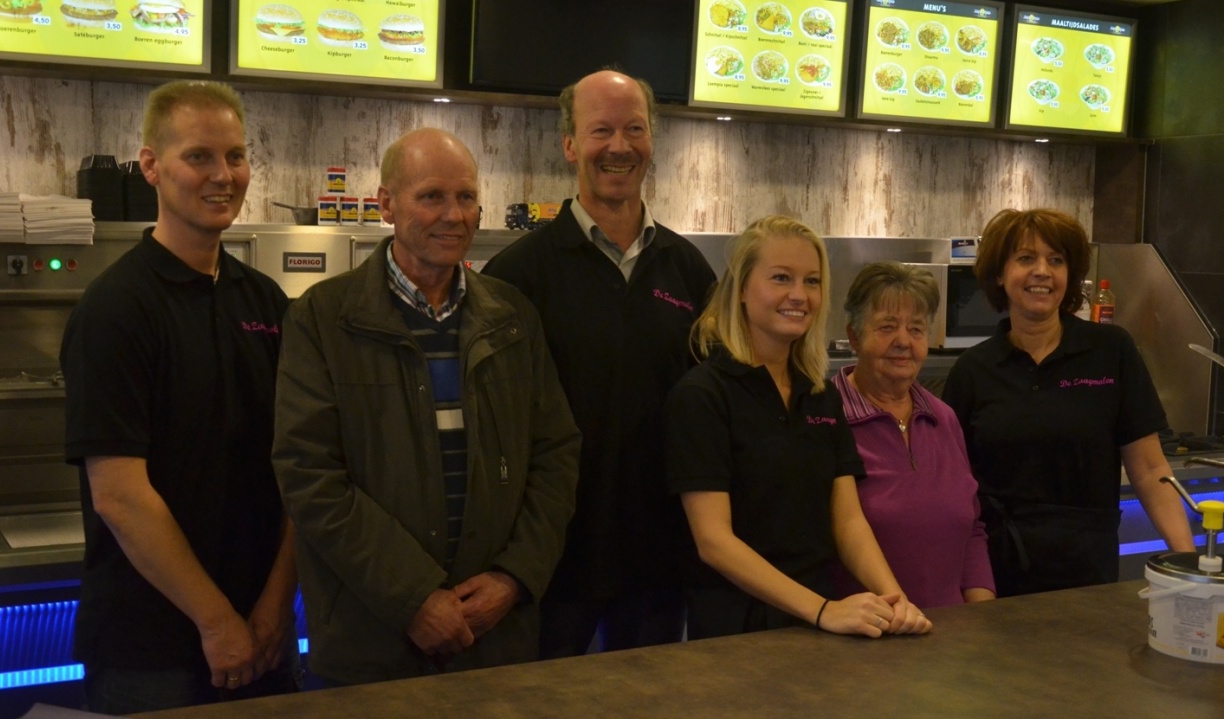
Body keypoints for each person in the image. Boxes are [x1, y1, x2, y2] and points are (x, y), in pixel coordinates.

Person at [272, 128, 581, 685]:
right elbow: (308, 473)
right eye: (431, 196)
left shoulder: (512, 317)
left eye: (466, 197)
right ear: (387, 204)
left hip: (495, 639)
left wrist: (513, 577)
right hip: (370, 643)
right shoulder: (322, 318)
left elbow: (556, 455)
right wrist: (412, 597)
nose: (453, 215)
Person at [60, 81, 298, 714]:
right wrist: (218, 624)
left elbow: (303, 468)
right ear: (151, 166)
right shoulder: (115, 309)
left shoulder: (266, 301)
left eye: (236, 156)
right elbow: (120, 496)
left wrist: (276, 608)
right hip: (152, 654)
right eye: (199, 157)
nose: (223, 176)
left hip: (266, 635)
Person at [483, 69, 716, 658]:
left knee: (647, 699)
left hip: (660, 560)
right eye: (600, 131)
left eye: (635, 129)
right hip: (551, 563)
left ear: (652, 142)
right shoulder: (517, 276)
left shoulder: (690, 271)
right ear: (569, 145)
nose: (620, 146)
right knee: (540, 700)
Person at [665, 215, 932, 639]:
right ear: (741, 290)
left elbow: (847, 521)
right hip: (735, 629)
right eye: (781, 278)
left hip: (818, 625)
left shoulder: (819, 394)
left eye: (811, 281)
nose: (799, 295)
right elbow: (714, 542)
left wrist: (895, 600)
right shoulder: (703, 395)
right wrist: (822, 610)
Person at [942, 208, 1195, 597]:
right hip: (996, 574)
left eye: (1056, 260)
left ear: (1070, 275)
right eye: (1026, 258)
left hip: (1088, 569)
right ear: (1000, 274)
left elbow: (1148, 468)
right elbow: (954, 487)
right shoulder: (973, 370)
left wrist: (1187, 564)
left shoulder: (1111, 350)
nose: (1042, 271)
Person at [831, 262, 995, 609]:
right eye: (887, 327)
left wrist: (983, 611)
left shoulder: (943, 418)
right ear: (854, 337)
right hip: (864, 631)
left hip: (952, 630)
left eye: (916, 329)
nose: (903, 341)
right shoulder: (825, 418)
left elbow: (972, 529)